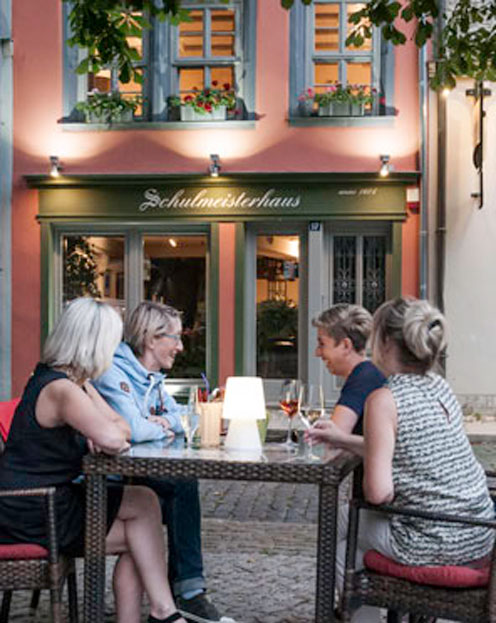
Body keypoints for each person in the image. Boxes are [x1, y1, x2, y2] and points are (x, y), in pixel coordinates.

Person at [0, 297, 187, 623]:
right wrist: (104, 432)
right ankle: (165, 612)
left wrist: (104, 427)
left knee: (144, 503)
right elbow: (115, 437)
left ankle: (161, 612)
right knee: (141, 527)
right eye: (111, 342)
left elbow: (122, 428)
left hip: (48, 502)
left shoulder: (70, 381)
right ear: (95, 344)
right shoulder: (61, 389)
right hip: (33, 511)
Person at [316, 297, 495, 623]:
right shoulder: (440, 386)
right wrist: (342, 439)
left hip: (434, 542)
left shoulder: (385, 398)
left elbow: (378, 494)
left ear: (384, 343)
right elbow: (405, 449)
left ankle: (355, 616)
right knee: (343, 526)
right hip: (479, 532)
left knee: (341, 533)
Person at [93, 300, 235, 623]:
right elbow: (136, 429)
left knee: (179, 483)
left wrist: (163, 423)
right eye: (175, 338)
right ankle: (186, 592)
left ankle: (180, 592)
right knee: (180, 484)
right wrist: (158, 424)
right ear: (151, 339)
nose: (181, 346)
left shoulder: (152, 379)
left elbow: (181, 417)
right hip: (108, 480)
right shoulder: (114, 373)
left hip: (135, 474)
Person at [307, 303, 386, 454]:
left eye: (322, 344)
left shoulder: (363, 377)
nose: (317, 352)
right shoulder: (370, 373)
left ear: (345, 345)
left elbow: (332, 442)